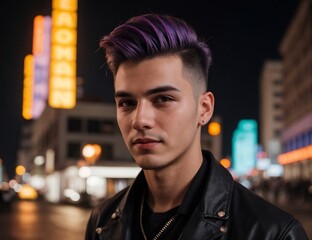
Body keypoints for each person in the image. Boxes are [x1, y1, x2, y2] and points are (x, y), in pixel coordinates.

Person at [85, 13, 308, 240]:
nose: (140, 120)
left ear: (204, 109)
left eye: (162, 99)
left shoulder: (273, 232)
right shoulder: (102, 221)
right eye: (127, 103)